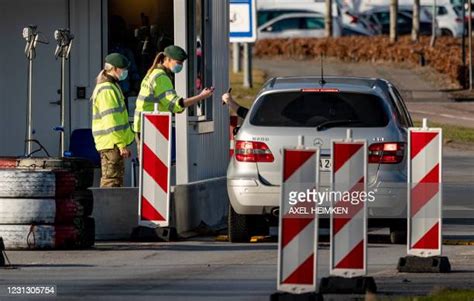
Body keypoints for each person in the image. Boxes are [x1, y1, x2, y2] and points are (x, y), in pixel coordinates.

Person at [133, 45, 214, 155]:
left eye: (181, 63)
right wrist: (201, 96)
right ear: (167, 59)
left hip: (145, 125)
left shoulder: (153, 72)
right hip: (151, 127)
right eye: (178, 62)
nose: (180, 66)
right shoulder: (161, 77)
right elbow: (176, 104)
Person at [91, 53, 135, 188]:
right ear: (114, 69)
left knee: (114, 181)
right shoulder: (107, 89)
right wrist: (121, 144)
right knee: (111, 182)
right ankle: (106, 209)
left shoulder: (112, 86)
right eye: (123, 69)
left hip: (112, 143)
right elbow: (111, 121)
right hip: (112, 144)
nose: (125, 72)